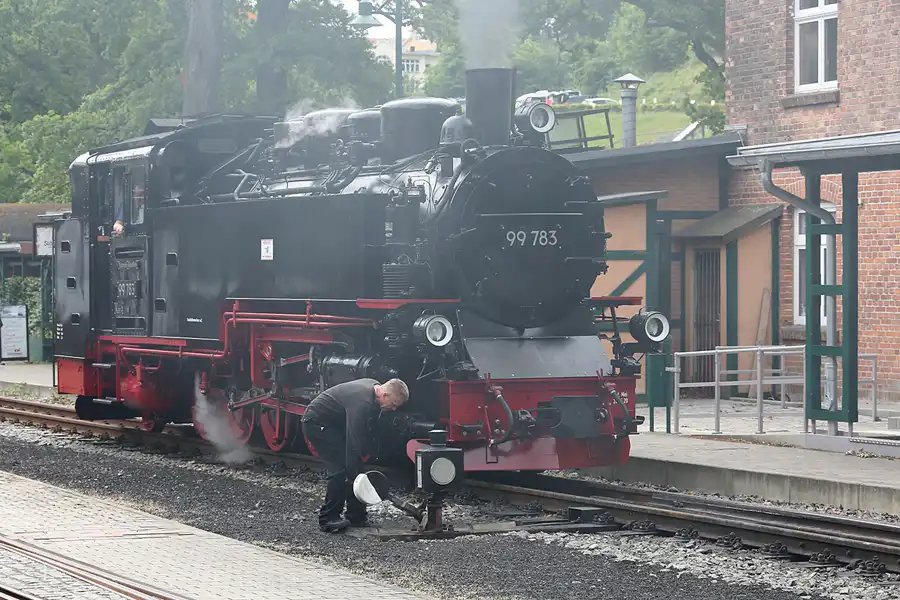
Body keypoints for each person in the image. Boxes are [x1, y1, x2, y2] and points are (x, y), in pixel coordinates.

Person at [301, 377, 409, 533]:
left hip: (333, 425)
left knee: (355, 467)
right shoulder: (362, 403)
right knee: (339, 469)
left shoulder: (373, 387)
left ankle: (356, 516)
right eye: (393, 404)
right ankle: (328, 518)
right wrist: (353, 470)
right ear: (384, 395)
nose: (393, 409)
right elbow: (353, 441)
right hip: (317, 424)